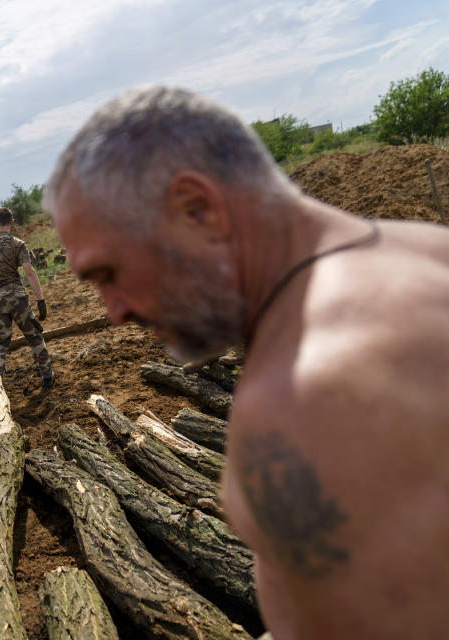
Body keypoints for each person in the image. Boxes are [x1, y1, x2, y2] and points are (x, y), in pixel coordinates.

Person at [45, 86, 449, 640]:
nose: (112, 313)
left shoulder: (303, 395)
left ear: (199, 209)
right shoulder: (426, 249)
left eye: (108, 273)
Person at [0, 207, 54, 388]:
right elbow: (29, 272)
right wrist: (40, 299)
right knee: (34, 336)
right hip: (17, 298)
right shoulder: (19, 244)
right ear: (12, 222)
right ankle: (47, 376)